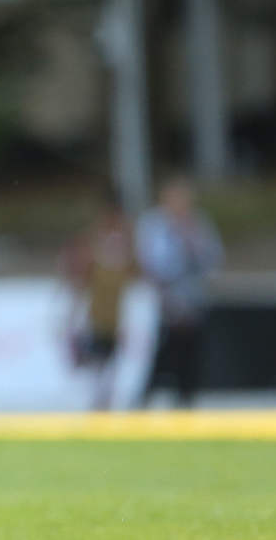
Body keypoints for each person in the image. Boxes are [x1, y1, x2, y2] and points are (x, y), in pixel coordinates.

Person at [136, 175, 223, 408]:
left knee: (191, 351)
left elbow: (212, 259)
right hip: (163, 300)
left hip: (192, 299)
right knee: (161, 351)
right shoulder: (153, 224)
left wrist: (190, 238)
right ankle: (145, 397)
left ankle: (186, 398)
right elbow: (151, 262)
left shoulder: (198, 222)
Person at [61, 187, 138, 410]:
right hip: (96, 317)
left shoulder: (125, 241)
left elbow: (134, 274)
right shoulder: (94, 241)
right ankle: (95, 407)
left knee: (109, 372)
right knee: (95, 371)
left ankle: (103, 407)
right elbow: (79, 276)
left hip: (115, 318)